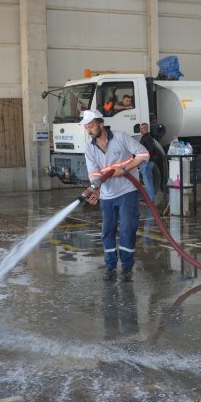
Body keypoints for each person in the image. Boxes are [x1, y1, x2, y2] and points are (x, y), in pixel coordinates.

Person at [81, 110, 149, 282]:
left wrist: (124, 169)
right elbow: (94, 173)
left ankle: (127, 267)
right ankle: (110, 267)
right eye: (86, 127)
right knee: (107, 231)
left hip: (127, 190)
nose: (88, 130)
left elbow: (143, 154)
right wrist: (94, 190)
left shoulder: (120, 137)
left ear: (101, 124)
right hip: (107, 194)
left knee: (128, 228)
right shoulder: (89, 147)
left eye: (91, 126)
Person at [139, 123, 162, 203]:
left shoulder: (147, 138)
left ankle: (150, 199)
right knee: (148, 181)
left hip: (146, 162)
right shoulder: (148, 138)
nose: (141, 130)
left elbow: (150, 150)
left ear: (146, 128)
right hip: (148, 162)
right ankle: (150, 198)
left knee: (147, 181)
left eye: (143, 128)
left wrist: (143, 158)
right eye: (141, 128)